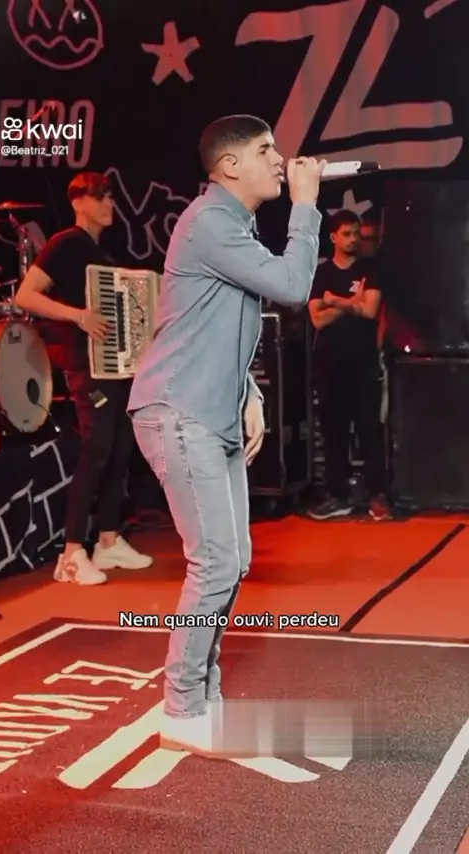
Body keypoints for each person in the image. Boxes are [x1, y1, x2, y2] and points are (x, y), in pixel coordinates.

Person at [128, 114, 325, 755]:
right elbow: (293, 287)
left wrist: (252, 393)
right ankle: (182, 706)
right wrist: (304, 206)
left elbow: (214, 324)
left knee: (232, 560)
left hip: (211, 411)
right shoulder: (210, 221)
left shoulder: (231, 225)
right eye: (266, 150)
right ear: (230, 165)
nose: (280, 160)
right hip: (179, 409)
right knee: (215, 560)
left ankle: (201, 696)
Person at [14, 172, 153, 585]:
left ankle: (108, 539)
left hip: (113, 367)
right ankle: (71, 553)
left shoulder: (99, 252)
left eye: (110, 197)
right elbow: (25, 295)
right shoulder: (66, 243)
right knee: (97, 452)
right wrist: (78, 316)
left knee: (119, 450)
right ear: (78, 202)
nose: (110, 204)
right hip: (86, 366)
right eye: (100, 197)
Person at [308, 209, 391, 521]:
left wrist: (336, 301)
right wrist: (352, 301)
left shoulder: (371, 269)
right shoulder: (322, 274)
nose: (353, 239)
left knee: (370, 430)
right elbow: (317, 319)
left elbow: (370, 311)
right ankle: (338, 495)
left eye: (356, 233)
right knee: (334, 432)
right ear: (333, 237)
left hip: (363, 363)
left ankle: (377, 495)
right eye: (347, 234)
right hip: (330, 364)